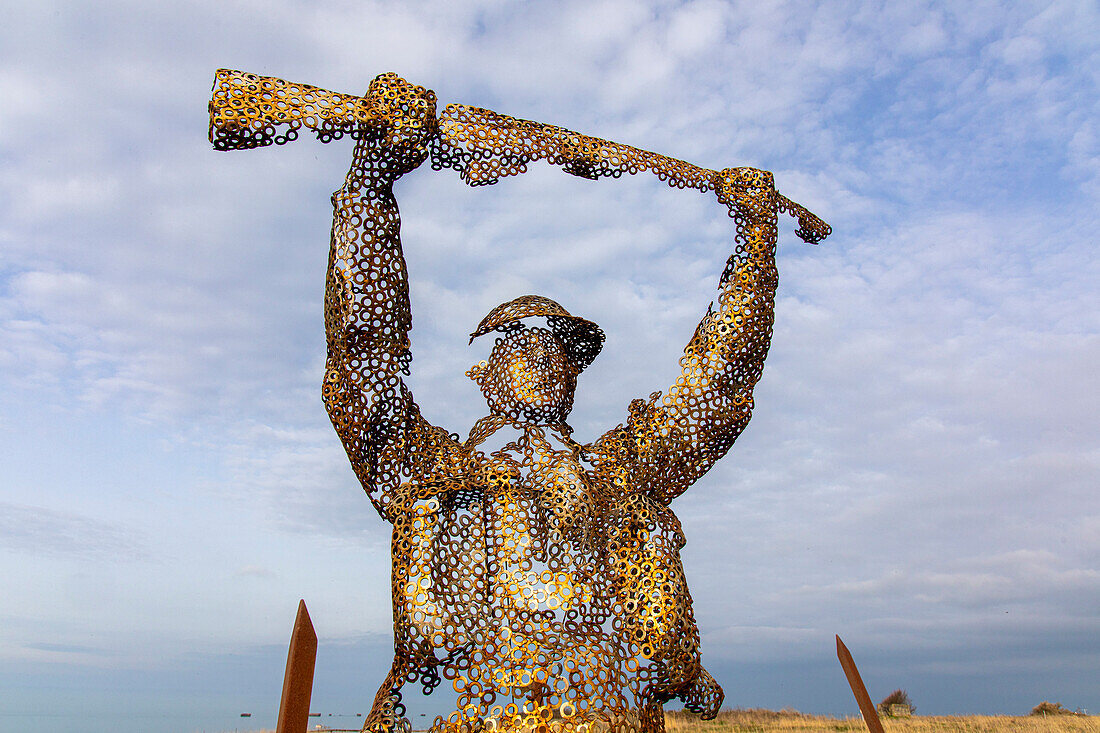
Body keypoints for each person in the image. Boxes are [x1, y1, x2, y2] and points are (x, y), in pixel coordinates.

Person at [306, 74, 822, 733]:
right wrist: (372, 181)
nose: (544, 353)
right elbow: (362, 361)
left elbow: (717, 389)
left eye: (562, 348)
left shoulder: (618, 471)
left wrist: (756, 244)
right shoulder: (435, 470)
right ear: (484, 375)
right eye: (518, 342)